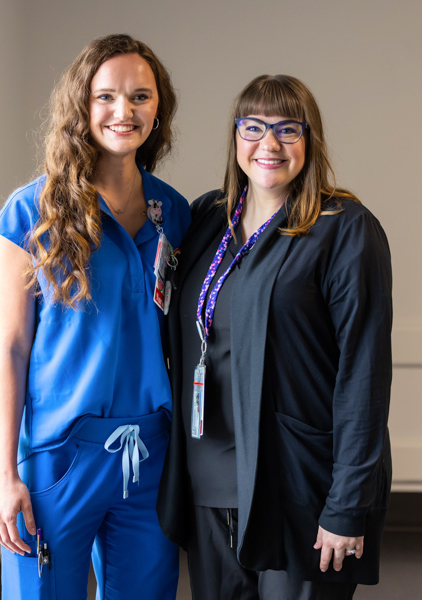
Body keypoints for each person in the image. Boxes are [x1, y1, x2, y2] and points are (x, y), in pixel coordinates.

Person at [157, 75, 393, 600]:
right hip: (209, 484)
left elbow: (365, 373)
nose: (269, 144)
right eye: (254, 128)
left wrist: (348, 503)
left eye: (288, 129)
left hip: (298, 488)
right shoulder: (206, 219)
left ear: (310, 141)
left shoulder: (344, 229)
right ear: (235, 137)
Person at [0, 34, 190, 600]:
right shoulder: (30, 212)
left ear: (158, 109)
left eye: (140, 97)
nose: (123, 111)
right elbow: (11, 349)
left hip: (148, 454)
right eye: (106, 96)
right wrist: (6, 478)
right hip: (58, 459)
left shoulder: (172, 212)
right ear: (81, 106)